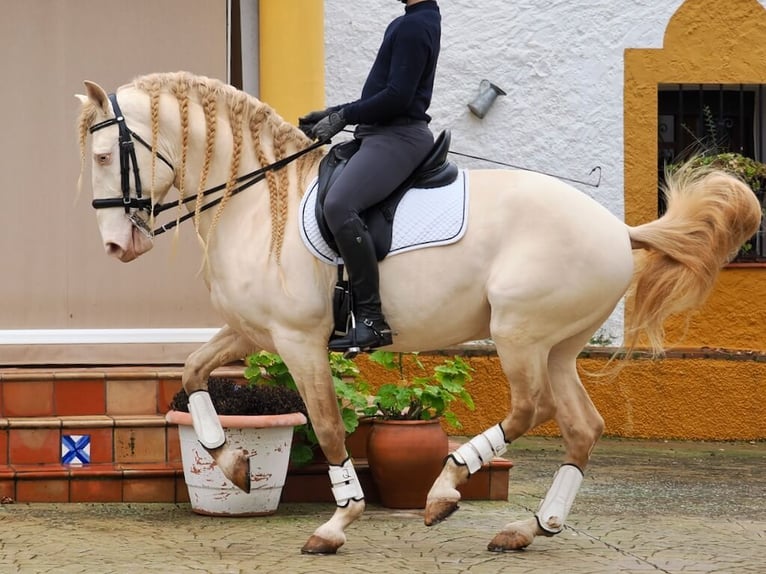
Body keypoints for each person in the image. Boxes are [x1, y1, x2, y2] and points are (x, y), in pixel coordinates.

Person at [300, 0, 441, 352]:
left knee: (339, 204)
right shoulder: (413, 21)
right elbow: (384, 94)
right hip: (380, 133)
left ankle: (371, 320)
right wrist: (332, 113)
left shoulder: (413, 25)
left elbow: (397, 97)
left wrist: (343, 115)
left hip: (398, 136)